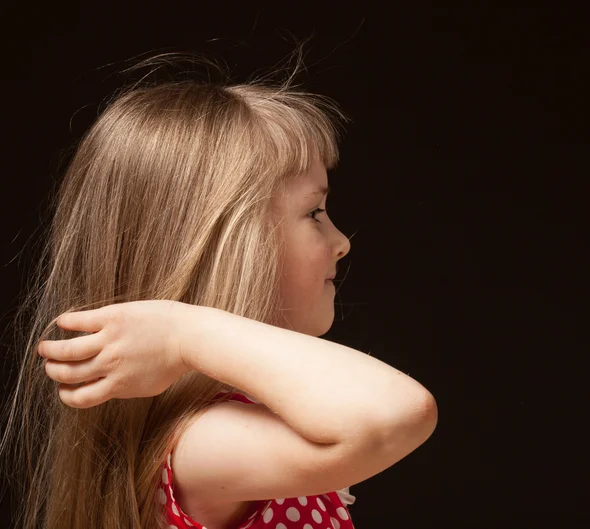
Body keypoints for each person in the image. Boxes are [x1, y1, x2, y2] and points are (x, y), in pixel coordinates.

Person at [0, 51, 438, 529]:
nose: (341, 242)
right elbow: (396, 415)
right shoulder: (198, 443)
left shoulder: (227, 424)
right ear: (228, 246)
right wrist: (183, 334)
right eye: (314, 214)